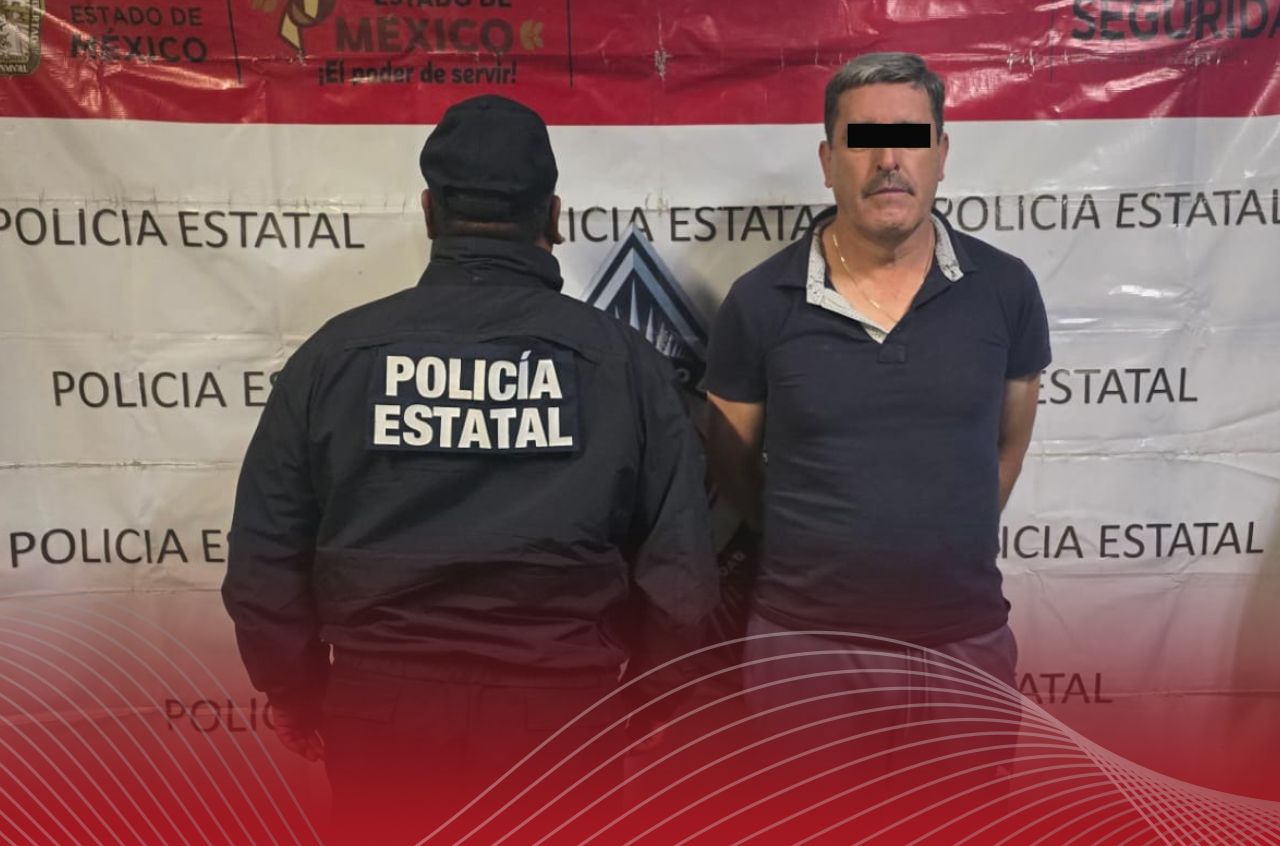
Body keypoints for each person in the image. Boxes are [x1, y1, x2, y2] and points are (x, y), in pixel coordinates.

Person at [222, 94, 718, 845]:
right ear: (554, 216)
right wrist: (654, 700)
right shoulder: (625, 364)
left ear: (430, 212)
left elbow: (264, 560)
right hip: (564, 717)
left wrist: (295, 690)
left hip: (382, 716)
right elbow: (680, 567)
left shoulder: (335, 356)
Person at [704, 53, 1051, 802]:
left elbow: (1008, 447)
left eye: (911, 138)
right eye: (863, 139)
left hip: (965, 651)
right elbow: (730, 459)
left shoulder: (1007, 290)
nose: (888, 160)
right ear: (828, 161)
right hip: (806, 656)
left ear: (942, 154)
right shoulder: (759, 302)